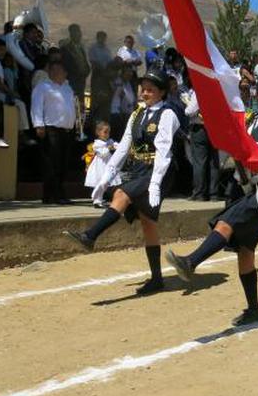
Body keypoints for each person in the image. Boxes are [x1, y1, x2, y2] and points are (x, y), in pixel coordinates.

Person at [164, 71, 258, 325]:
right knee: (244, 251)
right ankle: (253, 309)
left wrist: (241, 141)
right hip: (241, 187)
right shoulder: (253, 120)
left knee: (226, 224)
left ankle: (191, 261)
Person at [65, 70, 180, 295]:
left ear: (162, 92)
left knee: (121, 195)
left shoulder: (168, 114)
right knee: (147, 222)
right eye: (143, 88)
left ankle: (91, 235)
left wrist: (156, 183)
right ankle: (157, 278)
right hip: (139, 169)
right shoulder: (137, 113)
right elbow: (125, 145)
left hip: (160, 169)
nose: (145, 93)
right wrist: (106, 177)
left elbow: (164, 151)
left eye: (151, 89)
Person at [31, 60, 77, 205]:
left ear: (65, 73)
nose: (55, 73)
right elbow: (36, 105)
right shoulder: (43, 86)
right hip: (51, 129)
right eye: (53, 70)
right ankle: (54, 195)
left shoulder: (67, 88)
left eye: (59, 70)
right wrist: (38, 125)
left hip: (67, 130)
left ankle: (55, 194)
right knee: (52, 163)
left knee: (63, 163)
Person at [182, 85, 219, 201]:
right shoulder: (217, 89)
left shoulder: (200, 90)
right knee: (214, 161)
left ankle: (199, 193)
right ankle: (214, 193)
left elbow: (190, 111)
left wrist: (187, 103)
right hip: (214, 127)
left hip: (200, 128)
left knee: (199, 161)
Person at [59, 23, 90, 131]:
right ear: (71, 33)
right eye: (76, 31)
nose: (79, 34)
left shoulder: (80, 48)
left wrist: (86, 71)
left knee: (80, 106)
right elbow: (66, 65)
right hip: (71, 81)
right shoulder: (66, 48)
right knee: (71, 106)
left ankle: (79, 129)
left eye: (79, 31)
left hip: (80, 82)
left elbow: (85, 63)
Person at [84, 120, 119, 207]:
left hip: (108, 165)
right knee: (100, 181)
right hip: (100, 166)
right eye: (105, 132)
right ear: (98, 133)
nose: (107, 134)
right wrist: (109, 148)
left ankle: (102, 199)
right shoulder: (97, 144)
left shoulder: (110, 141)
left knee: (106, 182)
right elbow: (103, 154)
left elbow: (116, 145)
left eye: (108, 132)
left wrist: (119, 146)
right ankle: (96, 200)